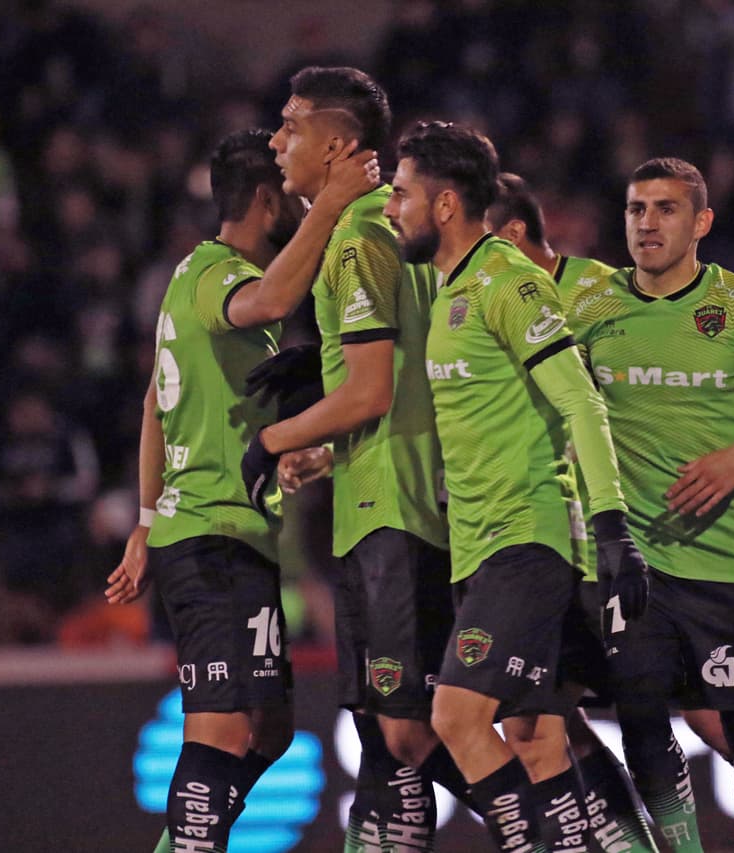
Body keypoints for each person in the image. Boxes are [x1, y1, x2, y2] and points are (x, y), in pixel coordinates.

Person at [487, 171, 734, 853]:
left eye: (666, 209)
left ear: (700, 222)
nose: (647, 222)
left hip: (728, 559)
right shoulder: (587, 300)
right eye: (636, 208)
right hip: (634, 560)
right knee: (643, 725)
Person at [386, 120, 652, 853]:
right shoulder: (449, 288)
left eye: (402, 194)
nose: (392, 208)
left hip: (525, 540)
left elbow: (579, 400)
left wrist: (611, 525)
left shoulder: (508, 281)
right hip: (477, 546)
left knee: (455, 717)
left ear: (445, 204)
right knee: (535, 738)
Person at [235, 66, 474, 852]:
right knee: (381, 735)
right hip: (382, 498)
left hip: (398, 510)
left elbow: (373, 391)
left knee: (408, 733)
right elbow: (411, 379)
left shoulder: (360, 236)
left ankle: (558, 823)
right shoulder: (387, 226)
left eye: (292, 123)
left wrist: (275, 438)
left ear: (338, 145)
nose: (277, 140)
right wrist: (327, 449)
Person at [103, 128, 309, 853]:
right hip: (211, 537)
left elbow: (155, 403)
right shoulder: (221, 275)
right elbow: (272, 299)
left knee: (272, 727)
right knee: (220, 729)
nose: (302, 205)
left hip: (226, 534)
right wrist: (335, 204)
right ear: (266, 201)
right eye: (293, 198)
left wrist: (143, 518)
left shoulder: (187, 275)